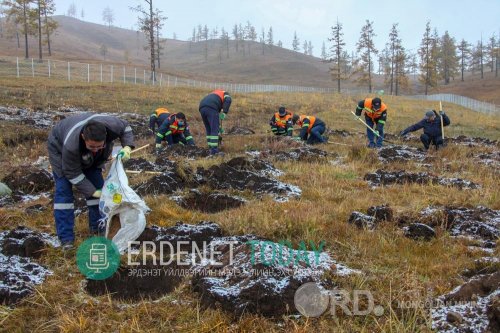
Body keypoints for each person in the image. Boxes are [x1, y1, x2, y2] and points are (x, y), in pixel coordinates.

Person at [47, 114, 135, 250]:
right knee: (64, 191)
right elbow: (72, 173)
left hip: (86, 152)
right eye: (92, 146)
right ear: (84, 137)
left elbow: (126, 127)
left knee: (99, 187)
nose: (95, 149)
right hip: (59, 147)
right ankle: (66, 240)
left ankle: (97, 229)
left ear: (105, 138)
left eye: (99, 146)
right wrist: (92, 192)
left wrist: (127, 146)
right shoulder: (71, 146)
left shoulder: (112, 126)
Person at [198, 90, 231, 155]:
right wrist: (224, 112)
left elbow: (213, 122)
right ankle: (214, 150)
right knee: (214, 130)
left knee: (209, 128)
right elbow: (228, 100)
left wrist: (219, 127)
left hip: (202, 107)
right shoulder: (225, 94)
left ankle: (210, 147)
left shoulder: (215, 93)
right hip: (211, 107)